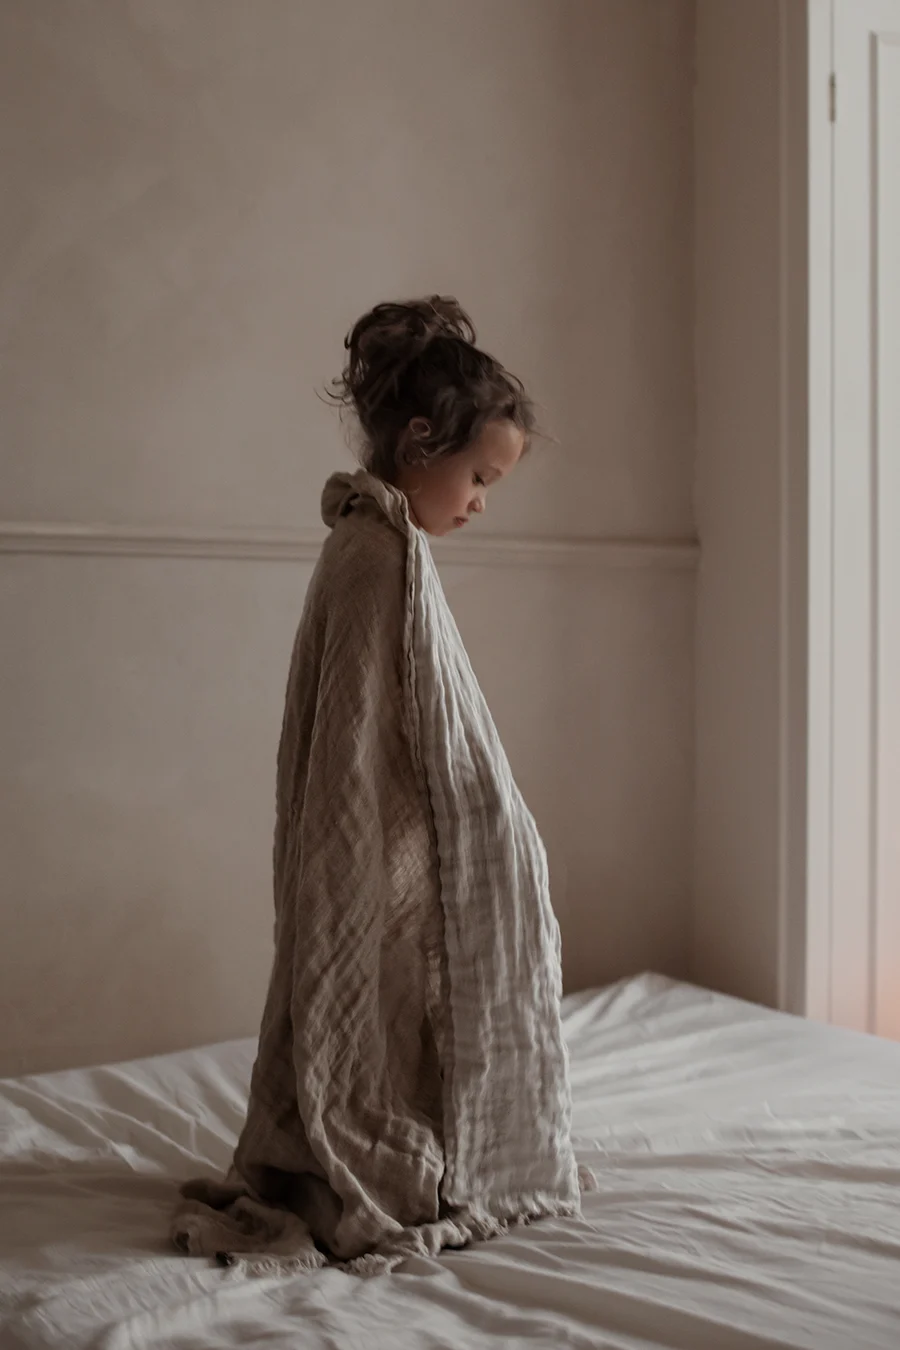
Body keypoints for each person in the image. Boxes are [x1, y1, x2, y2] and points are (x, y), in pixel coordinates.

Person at [171, 297, 584, 1277]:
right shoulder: (374, 553)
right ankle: (377, 1163)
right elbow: (354, 732)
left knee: (403, 1008)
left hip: (404, 837)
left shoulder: (385, 542)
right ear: (419, 438)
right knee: (380, 1000)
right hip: (382, 840)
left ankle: (420, 1150)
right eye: (478, 476)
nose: (481, 500)